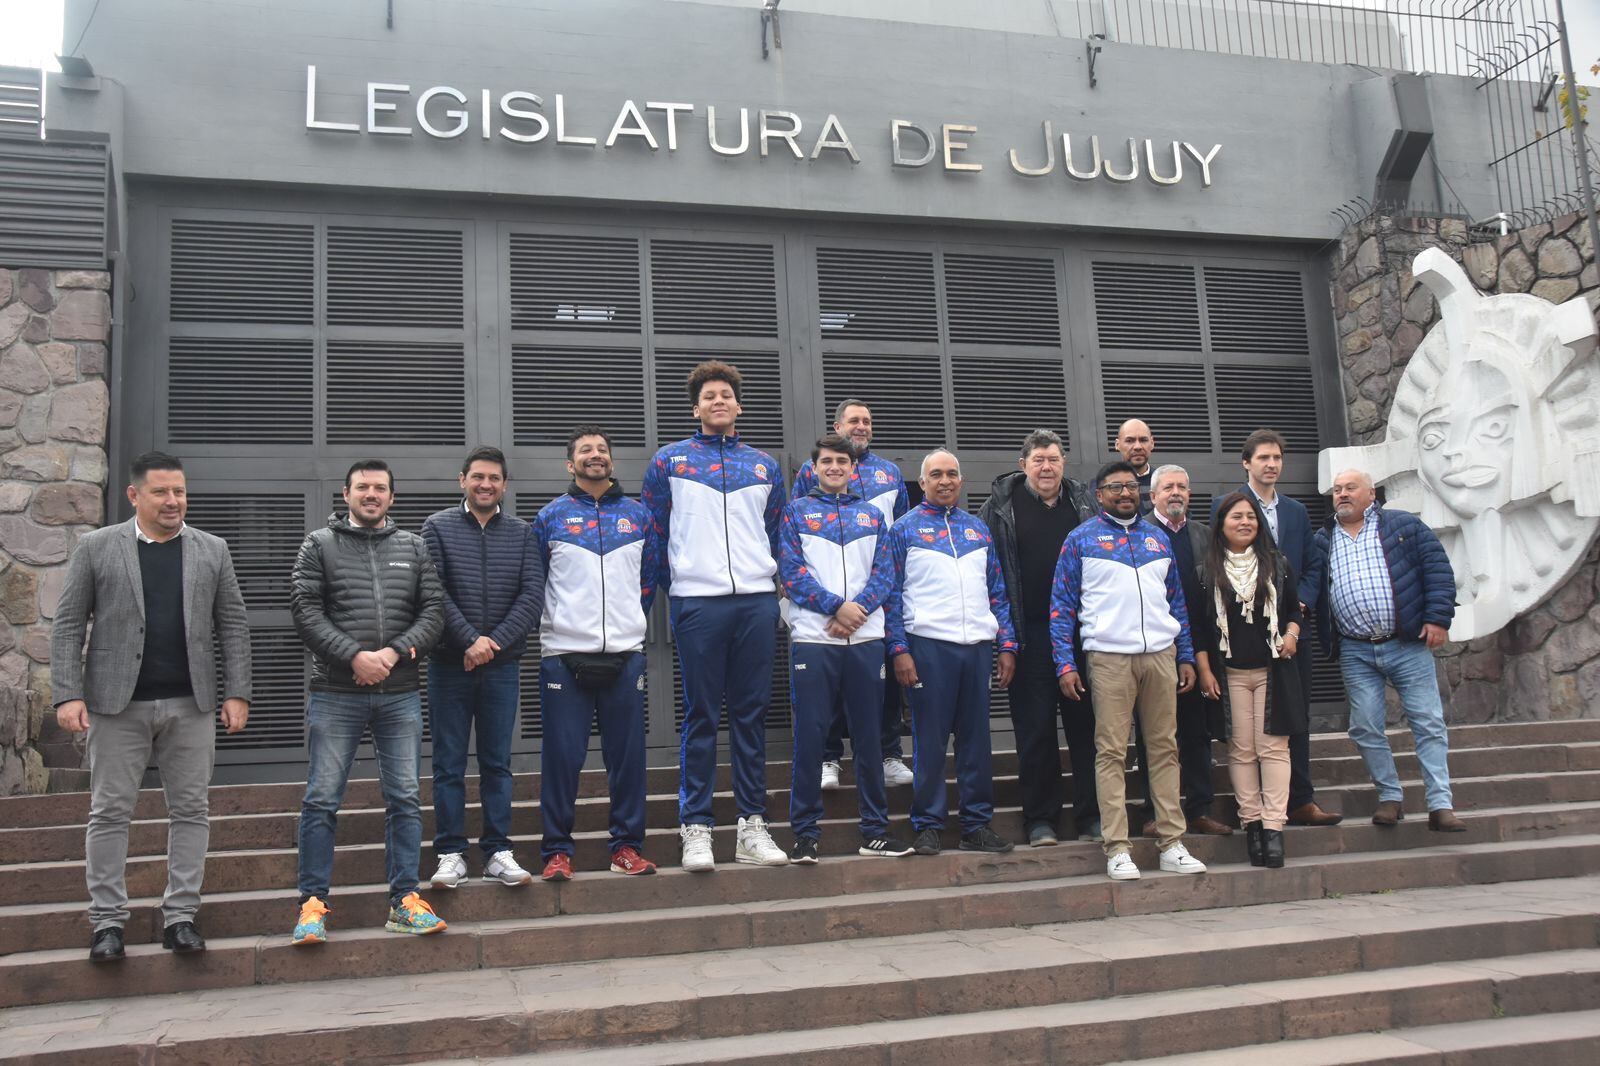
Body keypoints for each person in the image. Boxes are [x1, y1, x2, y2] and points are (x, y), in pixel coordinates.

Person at [49, 451, 252, 963]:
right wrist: (68, 692)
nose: (174, 501)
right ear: (135, 495)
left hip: (193, 703)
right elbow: (68, 625)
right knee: (110, 813)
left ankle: (180, 917)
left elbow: (233, 625)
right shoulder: (97, 548)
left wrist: (237, 692)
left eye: (180, 491)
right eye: (162, 492)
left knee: (191, 811)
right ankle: (107, 924)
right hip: (117, 706)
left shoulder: (212, 550)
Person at [288, 460, 446, 945]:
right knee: (321, 800)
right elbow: (304, 609)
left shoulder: (415, 547)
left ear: (392, 497)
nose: (371, 494)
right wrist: (353, 655)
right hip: (337, 694)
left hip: (399, 695)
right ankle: (311, 905)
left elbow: (434, 610)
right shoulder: (319, 544)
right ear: (346, 493)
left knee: (404, 798)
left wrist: (395, 652)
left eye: (380, 488)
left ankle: (404, 901)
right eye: (363, 487)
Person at [642, 359, 789, 871]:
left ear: (738, 404)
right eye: (709, 396)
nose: (718, 401)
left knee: (750, 715)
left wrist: (768, 588)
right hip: (698, 603)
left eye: (726, 394)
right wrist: (681, 586)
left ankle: (752, 825)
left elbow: (777, 535)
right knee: (702, 715)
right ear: (696, 407)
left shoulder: (764, 466)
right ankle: (697, 827)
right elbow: (653, 535)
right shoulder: (670, 462)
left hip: (754, 601)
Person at [1051, 459, 1208, 882]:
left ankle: (1172, 843)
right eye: (1114, 487)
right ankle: (1117, 848)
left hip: (1160, 655)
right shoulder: (1080, 540)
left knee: (1164, 748)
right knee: (1111, 752)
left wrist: (1186, 655)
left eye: (1131, 487)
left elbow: (1176, 604)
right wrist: (1065, 662)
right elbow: (1061, 608)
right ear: (1098, 494)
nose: (1125, 493)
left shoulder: (1158, 539)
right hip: (1108, 657)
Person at [533, 426, 660, 879]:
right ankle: (556, 852)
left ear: (611, 461)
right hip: (564, 657)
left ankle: (626, 847)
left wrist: (627, 623)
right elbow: (539, 583)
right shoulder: (550, 517)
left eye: (602, 450)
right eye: (585, 450)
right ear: (571, 464)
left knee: (627, 759)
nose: (595, 455)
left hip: (626, 655)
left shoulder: (639, 516)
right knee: (562, 758)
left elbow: (647, 582)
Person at [779, 434, 911, 862]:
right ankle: (805, 834)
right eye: (826, 462)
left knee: (869, 739)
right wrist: (837, 608)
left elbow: (885, 574)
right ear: (813, 469)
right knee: (811, 738)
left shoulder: (873, 516)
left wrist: (857, 612)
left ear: (853, 469)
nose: (834, 467)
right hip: (815, 640)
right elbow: (791, 574)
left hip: (866, 640)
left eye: (842, 461)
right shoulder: (796, 512)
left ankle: (874, 831)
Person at [420, 446, 545, 891]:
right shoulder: (436, 527)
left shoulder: (523, 533)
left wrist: (491, 644)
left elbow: (532, 596)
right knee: (448, 764)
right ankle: (451, 852)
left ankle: (497, 851)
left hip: (502, 666)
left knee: (497, 763)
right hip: (450, 665)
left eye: (493, 478)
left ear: (504, 485)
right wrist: (469, 640)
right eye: (477, 477)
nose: (485, 484)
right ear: (462, 481)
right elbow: (433, 591)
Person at [1314, 469, 1466, 832]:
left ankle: (1440, 805)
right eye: (1337, 490)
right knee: (1365, 726)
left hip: (1406, 643)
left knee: (1427, 722)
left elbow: (1437, 570)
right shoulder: (1322, 539)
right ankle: (1390, 797)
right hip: (1355, 649)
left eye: (1350, 488)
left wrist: (1438, 618)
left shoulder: (1403, 526)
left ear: (1371, 493)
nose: (1342, 495)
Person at [886, 448, 1017, 856]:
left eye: (952, 474)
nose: (945, 481)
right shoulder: (903, 530)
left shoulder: (978, 530)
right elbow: (890, 596)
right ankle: (927, 824)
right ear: (922, 483)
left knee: (976, 739)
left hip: (976, 648)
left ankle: (977, 824)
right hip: (928, 647)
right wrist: (899, 649)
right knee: (929, 739)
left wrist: (1007, 644)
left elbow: (997, 590)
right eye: (936, 475)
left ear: (961, 481)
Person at [979, 429, 1100, 847]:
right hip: (1028, 636)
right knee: (1035, 732)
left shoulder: (1086, 503)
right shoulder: (996, 510)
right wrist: (1005, 644)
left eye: (1053, 459)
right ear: (1023, 464)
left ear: (1063, 462)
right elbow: (990, 581)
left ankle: (1092, 817)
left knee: (1088, 730)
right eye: (1038, 460)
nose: (1046, 467)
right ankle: (1040, 821)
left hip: (1084, 635)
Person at [1219, 429, 1341, 828]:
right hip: (1245, 639)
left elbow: (1311, 565)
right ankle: (1253, 812)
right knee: (1248, 735)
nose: (1271, 465)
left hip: (1290, 632)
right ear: (1246, 463)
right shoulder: (1229, 506)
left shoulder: (1296, 511)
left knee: (1294, 717)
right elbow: (1216, 563)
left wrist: (1298, 605)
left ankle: (1300, 800)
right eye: (1263, 458)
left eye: (1276, 458)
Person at [792, 399, 913, 791]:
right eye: (853, 421)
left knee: (886, 680)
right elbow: (794, 543)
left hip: (877, 600)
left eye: (867, 421)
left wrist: (859, 607)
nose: (861, 426)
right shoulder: (810, 483)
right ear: (838, 425)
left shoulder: (890, 473)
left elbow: (900, 534)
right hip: (823, 613)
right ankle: (829, 759)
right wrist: (835, 607)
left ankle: (889, 753)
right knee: (827, 691)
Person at [1195, 492, 1306, 869]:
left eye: (1251, 517)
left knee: (1274, 748)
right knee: (1241, 750)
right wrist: (1205, 670)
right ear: (1221, 525)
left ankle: (1274, 828)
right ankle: (1253, 824)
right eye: (1236, 517)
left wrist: (1291, 634)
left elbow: (1292, 610)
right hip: (1230, 674)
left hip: (1273, 669)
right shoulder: (1207, 570)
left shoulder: (1276, 564)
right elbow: (1199, 628)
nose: (1245, 522)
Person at [1134, 464, 1232, 838]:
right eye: (1168, 487)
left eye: (1182, 487)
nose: (1175, 492)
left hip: (1200, 650)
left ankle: (1200, 808)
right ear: (1153, 494)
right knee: (1154, 736)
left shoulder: (1205, 536)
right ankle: (1157, 810)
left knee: (1196, 732)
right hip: (1154, 648)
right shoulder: (1139, 534)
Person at [1111, 419, 1156, 514]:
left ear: (1152, 443)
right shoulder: (1105, 484)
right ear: (1117, 445)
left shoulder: (1164, 483)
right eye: (1130, 441)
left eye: (1143, 440)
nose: (1137, 447)